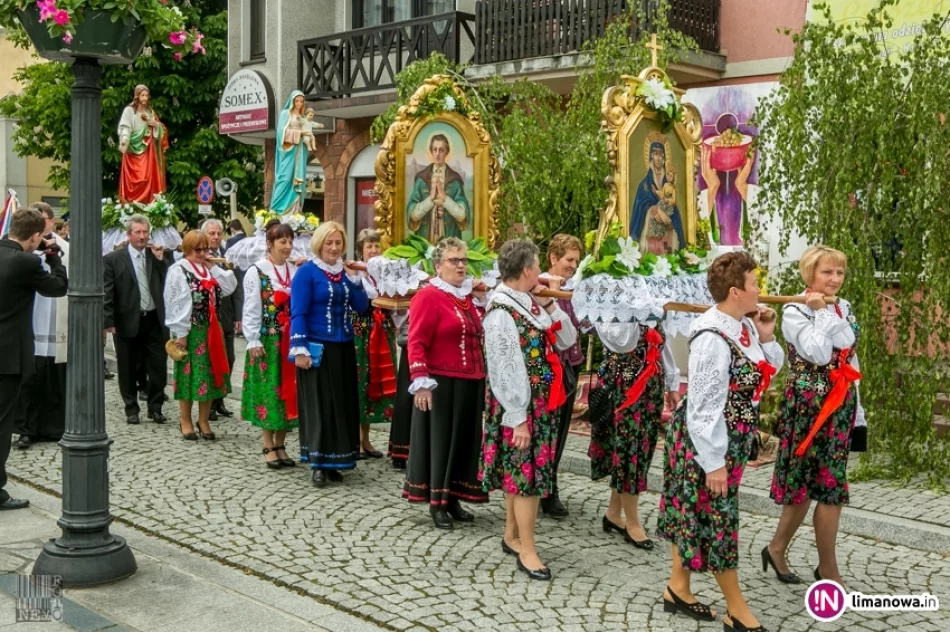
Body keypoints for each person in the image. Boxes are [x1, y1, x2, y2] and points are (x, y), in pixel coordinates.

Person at [656, 252, 782, 632]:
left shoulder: (739, 326)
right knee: (719, 521)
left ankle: (678, 588)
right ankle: (736, 609)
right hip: (706, 441)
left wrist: (767, 336)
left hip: (727, 439)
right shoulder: (712, 335)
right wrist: (714, 462)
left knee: (693, 513)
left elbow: (762, 376)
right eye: (754, 283)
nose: (760, 289)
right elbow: (704, 406)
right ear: (734, 291)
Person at [765, 246, 864, 587]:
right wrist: (820, 313)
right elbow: (819, 354)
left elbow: (849, 348)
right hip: (807, 406)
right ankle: (777, 548)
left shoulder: (843, 306)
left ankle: (827, 568)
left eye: (839, 273)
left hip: (840, 403)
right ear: (810, 274)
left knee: (831, 484)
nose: (835, 279)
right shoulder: (794, 310)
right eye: (827, 272)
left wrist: (859, 414)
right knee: (802, 486)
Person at [480, 239, 577, 581]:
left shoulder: (528, 302)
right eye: (538, 266)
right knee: (525, 477)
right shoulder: (501, 309)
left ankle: (512, 534)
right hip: (519, 405)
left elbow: (566, 340)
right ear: (525, 270)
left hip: (539, 402)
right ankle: (528, 549)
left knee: (524, 474)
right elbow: (505, 367)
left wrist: (550, 305)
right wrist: (518, 417)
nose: (542, 272)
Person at [403, 238, 489, 528]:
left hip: (469, 382)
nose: (461, 265)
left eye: (463, 260)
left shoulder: (467, 298)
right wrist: (421, 381)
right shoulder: (429, 296)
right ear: (438, 266)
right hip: (441, 382)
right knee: (441, 442)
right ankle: (437, 503)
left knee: (464, 442)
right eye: (454, 260)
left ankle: (453, 498)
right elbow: (416, 341)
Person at [290, 221, 369, 486]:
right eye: (329, 243)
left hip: (343, 346)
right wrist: (299, 349)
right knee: (320, 404)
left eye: (338, 243)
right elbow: (298, 312)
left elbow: (360, 307)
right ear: (319, 244)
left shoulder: (344, 272)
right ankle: (318, 463)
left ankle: (337, 460)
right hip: (316, 347)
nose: (334, 248)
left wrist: (356, 280)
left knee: (342, 403)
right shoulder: (307, 273)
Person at [591, 317, 680, 549]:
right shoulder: (613, 301)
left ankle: (613, 512)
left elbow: (662, 343)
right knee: (629, 449)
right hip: (624, 383)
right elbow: (623, 342)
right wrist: (633, 308)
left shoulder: (652, 301)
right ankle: (632, 521)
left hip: (651, 381)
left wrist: (672, 383)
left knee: (642, 447)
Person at [0, 208, 68, 510]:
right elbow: (57, 287)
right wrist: (53, 257)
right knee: (3, 424)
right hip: (8, 356)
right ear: (36, 235)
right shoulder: (25, 262)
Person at [164, 230, 237, 441]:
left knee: (210, 375)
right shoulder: (179, 270)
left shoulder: (209, 269)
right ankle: (185, 420)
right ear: (187, 249)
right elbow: (176, 302)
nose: (203, 253)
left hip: (212, 330)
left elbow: (229, 286)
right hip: (192, 330)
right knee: (188, 375)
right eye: (198, 249)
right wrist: (181, 332)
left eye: (206, 248)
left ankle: (203, 420)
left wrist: (212, 266)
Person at [103, 214, 173, 425]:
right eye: (138, 232)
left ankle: (155, 407)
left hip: (154, 320)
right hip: (127, 320)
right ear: (129, 234)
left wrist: (161, 261)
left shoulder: (156, 256)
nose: (142, 237)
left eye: (145, 232)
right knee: (127, 368)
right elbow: (108, 292)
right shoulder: (113, 259)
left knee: (159, 366)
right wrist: (108, 321)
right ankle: (131, 408)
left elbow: (169, 282)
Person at [242, 221, 299, 468]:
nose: (287, 247)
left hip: (290, 340)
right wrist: (252, 338)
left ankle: (281, 444)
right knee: (270, 392)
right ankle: (268, 444)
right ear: (269, 244)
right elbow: (252, 307)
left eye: (289, 241)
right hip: (268, 340)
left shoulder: (295, 271)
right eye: (282, 242)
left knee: (288, 392)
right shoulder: (257, 271)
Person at [16, 203, 70, 449]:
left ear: (50, 221)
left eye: (44, 219)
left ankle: (55, 427)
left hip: (57, 316)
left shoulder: (65, 248)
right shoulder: (23, 251)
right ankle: (27, 428)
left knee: (55, 374)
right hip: (32, 315)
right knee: (30, 377)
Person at [537, 234, 583, 518]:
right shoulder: (540, 287)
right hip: (549, 368)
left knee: (562, 429)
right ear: (553, 258)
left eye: (576, 261)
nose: (573, 266)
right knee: (547, 428)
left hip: (571, 366)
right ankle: (543, 487)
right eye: (568, 260)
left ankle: (550, 481)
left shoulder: (575, 288)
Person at [351, 229, 397, 459]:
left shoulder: (385, 274)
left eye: (376, 246)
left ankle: (366, 439)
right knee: (360, 383)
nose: (374, 250)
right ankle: (356, 441)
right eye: (369, 246)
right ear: (361, 250)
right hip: (362, 331)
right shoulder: (356, 274)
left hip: (382, 330)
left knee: (374, 383)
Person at [202, 218, 243, 421]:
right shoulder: (197, 257)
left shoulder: (227, 256)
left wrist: (238, 316)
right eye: (212, 233)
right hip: (207, 318)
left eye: (219, 233)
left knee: (229, 359)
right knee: (211, 361)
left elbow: (236, 288)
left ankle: (220, 400)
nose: (216, 237)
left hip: (225, 316)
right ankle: (207, 404)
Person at [406, 134, 471, 242]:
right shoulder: (421, 178)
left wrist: (444, 198)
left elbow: (462, 216)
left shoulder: (455, 179)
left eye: (441, 150)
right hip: (426, 236)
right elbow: (413, 215)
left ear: (446, 152)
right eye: (434, 149)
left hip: (449, 237)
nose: (437, 154)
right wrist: (430, 199)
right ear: (431, 152)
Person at [630, 138, 686, 255]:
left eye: (661, 154)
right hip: (650, 235)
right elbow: (640, 208)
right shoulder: (644, 185)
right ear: (651, 156)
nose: (658, 158)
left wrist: (668, 215)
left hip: (668, 235)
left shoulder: (669, 183)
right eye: (656, 154)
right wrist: (657, 211)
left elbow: (673, 207)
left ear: (665, 158)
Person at [118, 84, 168, 204]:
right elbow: (125, 127)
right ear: (137, 96)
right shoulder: (129, 111)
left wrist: (155, 125)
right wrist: (124, 139)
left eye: (146, 95)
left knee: (146, 178)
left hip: (148, 154)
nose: (144, 98)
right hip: (132, 153)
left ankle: (148, 203)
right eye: (142, 95)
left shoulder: (150, 113)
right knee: (134, 181)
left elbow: (161, 130)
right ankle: (130, 206)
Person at [271, 91, 310, 215]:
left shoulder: (303, 117)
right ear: (292, 101)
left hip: (299, 152)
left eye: (301, 101)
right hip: (288, 152)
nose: (299, 103)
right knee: (285, 178)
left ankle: (294, 212)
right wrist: (299, 134)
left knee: (298, 181)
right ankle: (277, 210)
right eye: (297, 101)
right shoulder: (285, 114)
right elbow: (280, 134)